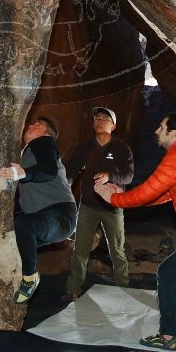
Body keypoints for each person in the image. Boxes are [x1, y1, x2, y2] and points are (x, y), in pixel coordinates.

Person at [95, 112, 176, 351]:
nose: (156, 132)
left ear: (173, 133)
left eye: (161, 128)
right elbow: (163, 193)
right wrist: (123, 194)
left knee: (168, 274)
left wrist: (115, 198)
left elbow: (149, 191)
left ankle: (168, 337)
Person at [0, 116, 77, 304]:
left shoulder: (44, 142)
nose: (32, 125)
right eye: (32, 123)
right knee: (14, 241)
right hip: (50, 219)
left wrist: (23, 173)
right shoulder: (29, 152)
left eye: (38, 125)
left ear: (47, 133)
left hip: (60, 214)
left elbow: (49, 170)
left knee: (24, 224)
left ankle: (30, 277)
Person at [64, 107, 134, 300]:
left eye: (105, 118)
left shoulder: (121, 148)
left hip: (113, 206)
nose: (100, 120)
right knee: (81, 250)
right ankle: (73, 290)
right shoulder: (84, 148)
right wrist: (65, 190)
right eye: (97, 118)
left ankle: (124, 290)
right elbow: (71, 173)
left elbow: (128, 176)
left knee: (117, 251)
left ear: (114, 125)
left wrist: (110, 176)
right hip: (87, 206)